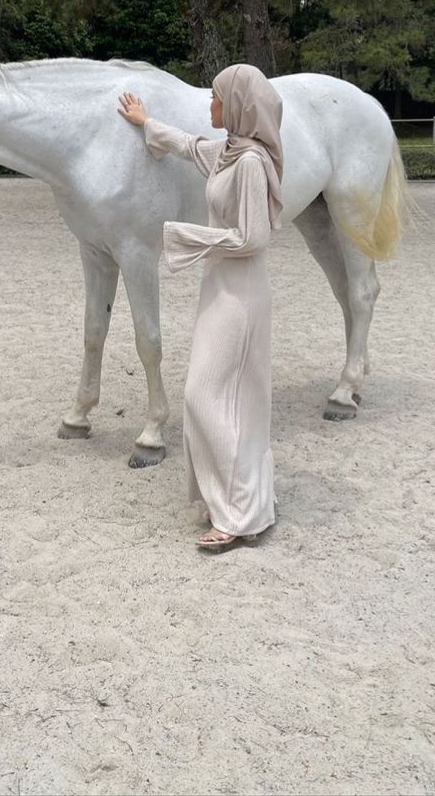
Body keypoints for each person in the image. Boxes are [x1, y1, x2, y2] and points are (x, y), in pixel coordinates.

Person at [117, 63, 284, 554]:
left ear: (235, 106)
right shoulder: (228, 153)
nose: (209, 106)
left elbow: (254, 238)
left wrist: (186, 236)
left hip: (243, 293)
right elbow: (189, 146)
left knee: (204, 395)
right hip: (220, 287)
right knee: (230, 399)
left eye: (215, 98)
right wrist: (145, 123)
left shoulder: (251, 163)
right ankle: (240, 503)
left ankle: (236, 514)